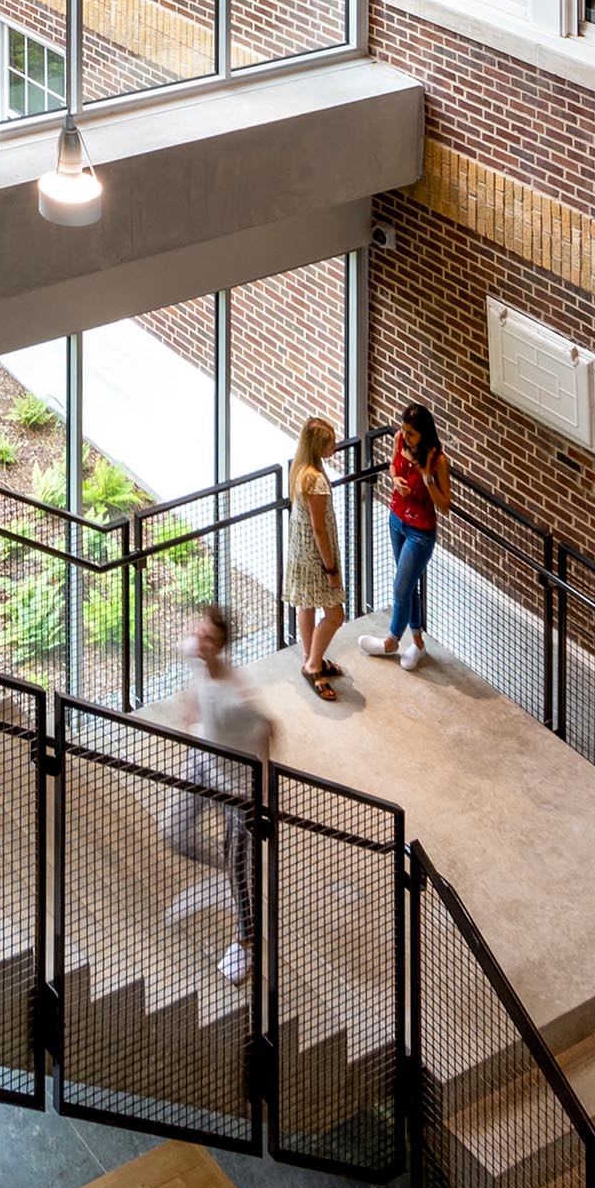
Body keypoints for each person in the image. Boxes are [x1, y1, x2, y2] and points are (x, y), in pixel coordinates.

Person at [173, 604, 272, 987]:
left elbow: (268, 729)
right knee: (176, 833)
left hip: (236, 789)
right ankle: (228, 869)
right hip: (202, 765)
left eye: (207, 639)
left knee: (240, 869)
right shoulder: (195, 654)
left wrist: (261, 789)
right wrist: (191, 711)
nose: (198, 643)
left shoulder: (235, 695)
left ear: (220, 648)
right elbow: (194, 686)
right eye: (197, 634)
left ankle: (246, 940)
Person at [364, 403, 450, 672]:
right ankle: (418, 644)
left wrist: (427, 479)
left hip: (420, 532)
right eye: (404, 429)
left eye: (411, 433)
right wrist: (395, 480)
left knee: (401, 587)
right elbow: (393, 465)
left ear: (424, 434)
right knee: (408, 583)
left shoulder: (438, 461)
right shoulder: (399, 438)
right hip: (397, 519)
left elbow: (444, 505)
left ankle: (392, 641)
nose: (405, 435)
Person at [284, 415, 346, 699]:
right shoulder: (317, 481)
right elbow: (319, 529)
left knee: (306, 606)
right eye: (330, 443)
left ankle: (313, 660)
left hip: (299, 554)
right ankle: (313, 664)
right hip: (316, 559)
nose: (335, 446)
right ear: (318, 446)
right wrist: (331, 568)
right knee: (335, 615)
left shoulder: (300, 471)